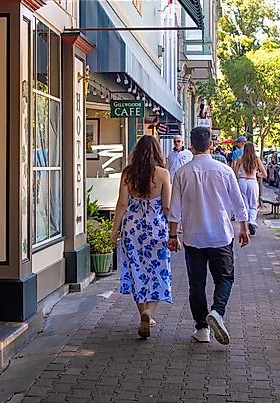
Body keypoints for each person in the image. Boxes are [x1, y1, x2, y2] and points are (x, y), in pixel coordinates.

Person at [169, 126, 250, 345]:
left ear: (191, 146)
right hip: (220, 236)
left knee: (196, 283)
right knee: (225, 278)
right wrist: (243, 227)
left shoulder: (182, 173)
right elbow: (238, 201)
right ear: (211, 146)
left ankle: (201, 328)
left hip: (193, 237)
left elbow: (174, 209)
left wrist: (173, 235)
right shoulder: (224, 171)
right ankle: (217, 311)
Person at [110, 135, 173, 339]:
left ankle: (142, 313)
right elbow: (167, 206)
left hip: (132, 228)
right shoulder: (163, 174)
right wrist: (174, 232)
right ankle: (149, 312)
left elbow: (121, 204)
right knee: (158, 270)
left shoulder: (128, 173)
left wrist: (114, 231)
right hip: (156, 228)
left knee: (136, 269)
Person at [232, 142, 266, 236]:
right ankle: (252, 222)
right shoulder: (256, 160)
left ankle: (246, 223)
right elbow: (265, 174)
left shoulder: (240, 159)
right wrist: (258, 174)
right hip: (252, 181)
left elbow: (235, 173)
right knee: (253, 204)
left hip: (242, 182)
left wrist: (240, 174)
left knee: (245, 204)